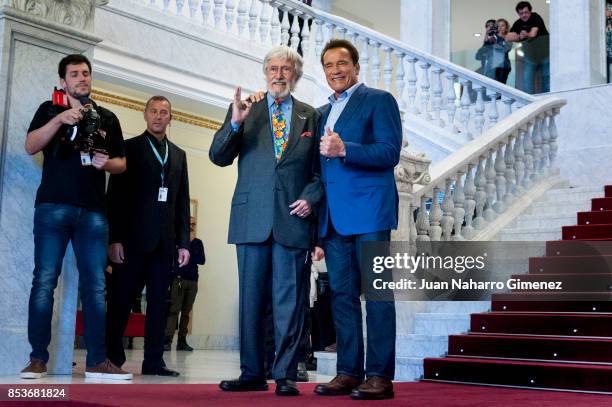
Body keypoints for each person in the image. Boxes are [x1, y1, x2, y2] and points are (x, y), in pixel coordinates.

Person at [210, 45, 322, 397]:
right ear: (265, 73)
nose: (278, 74)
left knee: (289, 303)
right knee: (252, 300)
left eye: (285, 69)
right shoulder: (247, 109)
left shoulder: (310, 116)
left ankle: (286, 373)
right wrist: (234, 122)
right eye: (272, 68)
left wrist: (310, 197)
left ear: (296, 75)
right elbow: (218, 156)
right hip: (251, 219)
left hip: (293, 220)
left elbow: (320, 172)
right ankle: (252, 373)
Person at [21, 54, 131, 380]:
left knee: (96, 287)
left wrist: (106, 163)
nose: (82, 78)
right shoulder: (49, 109)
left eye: (86, 73)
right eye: (75, 74)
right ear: (63, 81)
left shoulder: (107, 117)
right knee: (44, 281)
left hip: (94, 212)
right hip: (52, 207)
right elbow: (30, 146)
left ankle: (97, 361)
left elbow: (121, 163)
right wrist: (59, 120)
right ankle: (37, 359)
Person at [312, 39, 401, 401]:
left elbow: (389, 152)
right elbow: (319, 172)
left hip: (370, 212)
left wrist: (346, 148)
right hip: (333, 219)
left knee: (377, 295)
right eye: (329, 65)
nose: (336, 70)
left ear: (356, 66)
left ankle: (379, 375)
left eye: (342, 63)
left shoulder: (379, 100)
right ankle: (349, 371)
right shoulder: (319, 114)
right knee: (342, 297)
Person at [106, 95, 191, 377]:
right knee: (120, 301)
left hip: (164, 244)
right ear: (145, 115)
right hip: (130, 241)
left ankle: (154, 362)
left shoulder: (179, 155)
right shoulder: (128, 148)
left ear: (170, 118)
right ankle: (112, 358)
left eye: (164, 112)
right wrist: (114, 238)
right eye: (153, 111)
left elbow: (181, 201)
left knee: (159, 305)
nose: (158, 116)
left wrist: (184, 243)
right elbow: (115, 197)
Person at [164, 217, 205, 351]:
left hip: (192, 281)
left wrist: (191, 247)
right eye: (189, 223)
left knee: (186, 312)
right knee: (174, 310)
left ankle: (182, 341)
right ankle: (167, 340)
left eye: (194, 224)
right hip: (178, 280)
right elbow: (173, 259)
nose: (192, 226)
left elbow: (201, 260)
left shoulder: (198, 243)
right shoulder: (177, 242)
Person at [506, 1, 549, 93]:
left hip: (545, 54)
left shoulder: (535, 17)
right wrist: (518, 37)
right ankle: (529, 100)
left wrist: (526, 34)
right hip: (530, 56)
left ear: (530, 11)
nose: (524, 15)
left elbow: (533, 34)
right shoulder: (518, 23)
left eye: (526, 12)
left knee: (546, 77)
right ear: (518, 13)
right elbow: (508, 37)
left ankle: (547, 97)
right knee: (527, 78)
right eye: (521, 13)